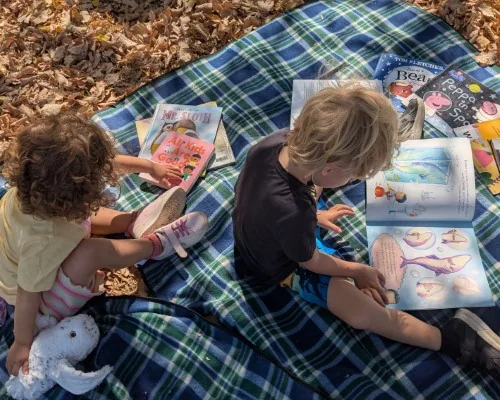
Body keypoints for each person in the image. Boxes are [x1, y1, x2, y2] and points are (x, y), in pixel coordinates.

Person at [232, 86, 499, 378]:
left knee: (314, 192)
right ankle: (453, 339)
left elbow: (272, 201)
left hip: (282, 226)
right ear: (331, 168)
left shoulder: (276, 143)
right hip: (282, 265)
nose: (356, 180)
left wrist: (313, 211)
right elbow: (310, 261)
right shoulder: (293, 212)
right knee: (362, 314)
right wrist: (357, 270)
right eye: (355, 175)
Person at [0, 113, 209, 377]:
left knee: (84, 218)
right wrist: (21, 342)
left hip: (46, 243)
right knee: (92, 251)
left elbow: (109, 163)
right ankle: (156, 244)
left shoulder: (38, 190)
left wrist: (151, 167)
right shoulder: (42, 242)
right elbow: (26, 293)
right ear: (76, 191)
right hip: (41, 299)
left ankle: (132, 223)